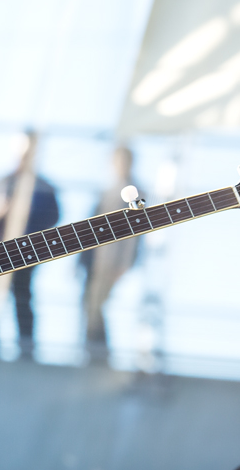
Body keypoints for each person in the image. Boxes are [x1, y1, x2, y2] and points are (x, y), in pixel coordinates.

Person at [0, 139, 60, 358]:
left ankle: (26, 349)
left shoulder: (44, 187)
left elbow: (53, 217)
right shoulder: (2, 183)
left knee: (22, 297)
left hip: (27, 253)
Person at [79, 146, 140, 364]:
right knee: (89, 304)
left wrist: (123, 263)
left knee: (95, 305)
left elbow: (134, 231)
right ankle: (93, 353)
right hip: (95, 259)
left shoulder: (133, 191)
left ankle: (99, 356)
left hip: (110, 261)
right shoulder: (110, 190)